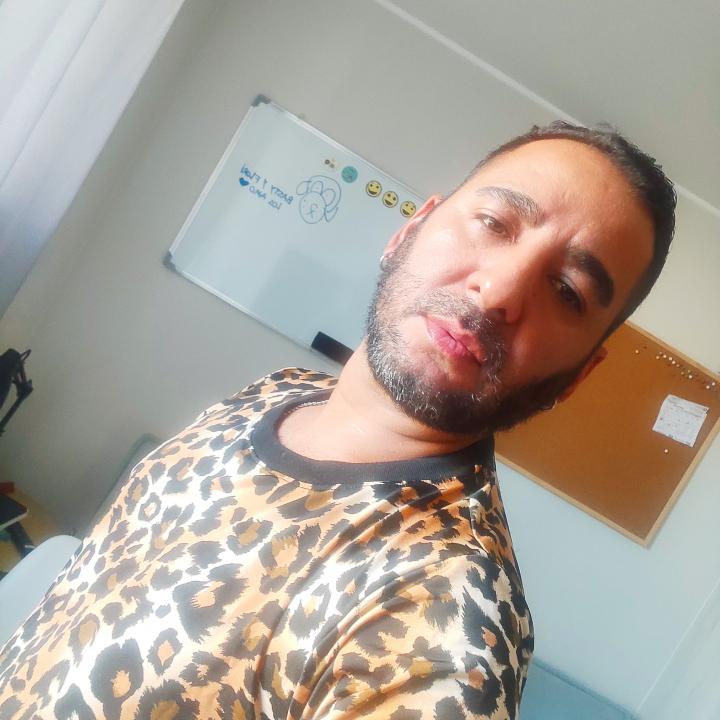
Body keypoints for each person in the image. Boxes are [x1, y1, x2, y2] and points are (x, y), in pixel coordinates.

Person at [0, 122, 675, 719]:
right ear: (409, 229)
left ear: (577, 377)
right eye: (495, 223)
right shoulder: (281, 392)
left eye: (567, 292)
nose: (498, 292)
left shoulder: (443, 617)